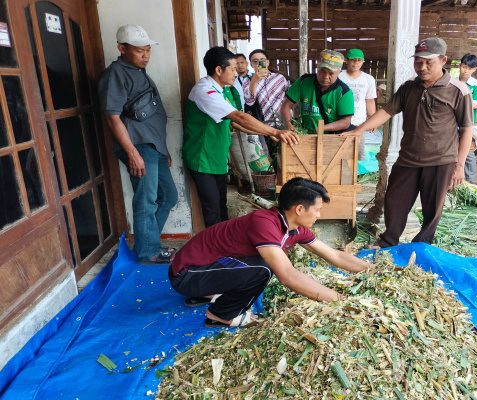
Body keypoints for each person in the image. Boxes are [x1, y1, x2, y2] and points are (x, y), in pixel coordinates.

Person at [169, 178, 372, 327]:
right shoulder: (264, 222)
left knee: (263, 263)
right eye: (317, 210)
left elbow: (334, 255)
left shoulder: (296, 229)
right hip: (186, 274)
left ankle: (206, 293)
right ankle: (221, 315)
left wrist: (371, 270)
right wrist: (342, 301)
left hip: (205, 271)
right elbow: (288, 276)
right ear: (299, 209)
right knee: (263, 270)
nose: (319, 215)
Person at [342, 37, 473, 246]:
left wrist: (459, 165)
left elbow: (466, 129)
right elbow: (386, 111)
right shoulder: (408, 88)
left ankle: (422, 245)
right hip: (408, 158)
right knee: (394, 200)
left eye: (428, 62)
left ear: (443, 60)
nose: (422, 67)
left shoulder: (458, 90)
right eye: (418, 62)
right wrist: (360, 129)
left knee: (433, 208)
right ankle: (388, 240)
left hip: (441, 160)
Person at [183, 47, 298, 228]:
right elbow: (239, 117)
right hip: (202, 157)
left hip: (217, 157)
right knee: (212, 209)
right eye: (233, 69)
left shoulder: (223, 89)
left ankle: (224, 244)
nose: (236, 73)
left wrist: (266, 133)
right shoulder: (205, 91)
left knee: (221, 206)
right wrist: (274, 132)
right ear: (219, 70)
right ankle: (214, 252)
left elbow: (235, 124)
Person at [99, 25, 178, 263]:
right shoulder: (116, 74)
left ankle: (150, 241)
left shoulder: (137, 70)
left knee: (169, 196)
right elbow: (113, 118)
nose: (145, 56)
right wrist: (132, 153)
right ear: (122, 49)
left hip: (153, 147)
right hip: (139, 146)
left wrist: (163, 150)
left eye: (147, 50)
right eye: (139, 51)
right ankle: (148, 251)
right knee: (146, 199)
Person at [281, 50, 354, 134]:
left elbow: (345, 122)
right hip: (306, 135)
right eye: (322, 71)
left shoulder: (344, 92)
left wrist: (322, 128)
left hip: (333, 138)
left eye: (331, 73)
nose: (326, 77)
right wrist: (288, 124)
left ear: (339, 72)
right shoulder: (303, 82)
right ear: (317, 67)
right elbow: (286, 106)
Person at [338, 48, 377, 159]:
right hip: (340, 120)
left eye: (359, 60)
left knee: (358, 153)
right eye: (353, 60)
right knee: (340, 152)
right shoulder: (339, 77)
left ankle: (356, 175)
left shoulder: (368, 79)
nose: (356, 63)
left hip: (359, 121)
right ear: (346, 61)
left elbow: (369, 101)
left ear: (363, 62)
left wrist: (372, 119)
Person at [458, 54, 477, 185]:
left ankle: (472, 180)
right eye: (464, 67)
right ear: (460, 66)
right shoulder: (450, 81)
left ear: (474, 70)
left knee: (467, 152)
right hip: (449, 122)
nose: (466, 70)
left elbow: (475, 104)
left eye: (469, 68)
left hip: (466, 123)